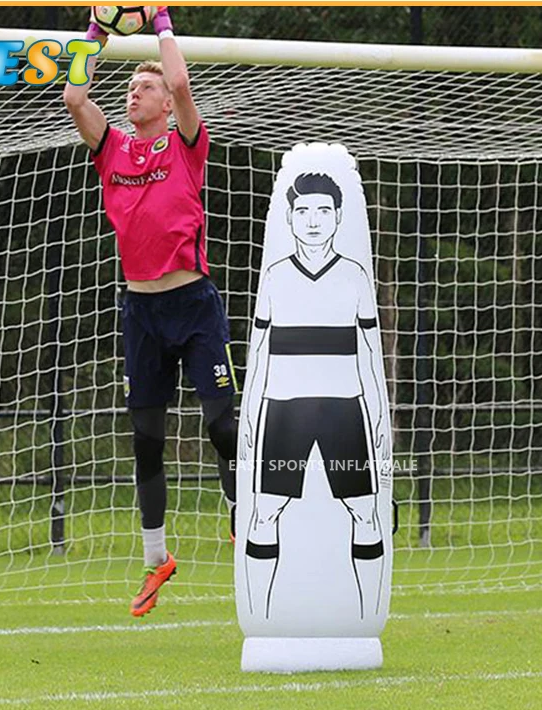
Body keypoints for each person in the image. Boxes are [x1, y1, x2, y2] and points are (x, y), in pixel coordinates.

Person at [63, 7, 237, 617]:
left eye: (145, 87)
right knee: (145, 439)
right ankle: (156, 558)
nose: (134, 93)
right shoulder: (111, 147)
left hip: (193, 304)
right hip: (139, 310)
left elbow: (182, 82)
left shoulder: (186, 144)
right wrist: (96, 30)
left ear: (166, 104)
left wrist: (160, 20)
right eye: (131, 87)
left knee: (222, 426)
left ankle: (246, 521)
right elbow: (75, 96)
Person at [240, 172, 389, 620]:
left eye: (323, 211)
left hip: (344, 410)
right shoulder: (276, 278)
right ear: (289, 217)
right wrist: (250, 413)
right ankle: (262, 618)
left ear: (338, 217)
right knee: (265, 512)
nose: (313, 220)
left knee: (365, 513)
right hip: (285, 411)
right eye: (303, 211)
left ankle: (364, 617)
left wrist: (378, 414)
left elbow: (369, 353)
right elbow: (260, 353)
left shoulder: (354, 276)